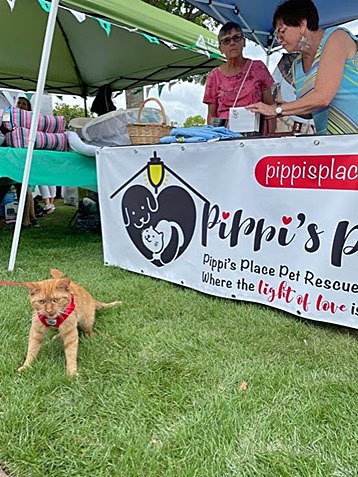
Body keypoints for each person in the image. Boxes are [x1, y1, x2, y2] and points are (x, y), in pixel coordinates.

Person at [246, 0, 358, 135]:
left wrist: (277, 109)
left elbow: (322, 98)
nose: (279, 39)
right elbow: (313, 111)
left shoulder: (336, 37)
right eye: (276, 35)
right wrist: (285, 108)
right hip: (331, 146)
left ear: (302, 24)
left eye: (282, 31)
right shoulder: (296, 66)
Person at [203, 21, 275, 134]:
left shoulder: (258, 68)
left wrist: (271, 138)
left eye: (236, 38)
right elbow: (212, 115)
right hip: (226, 138)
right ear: (220, 48)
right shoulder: (214, 76)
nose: (232, 43)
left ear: (244, 42)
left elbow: (270, 108)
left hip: (256, 136)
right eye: (226, 40)